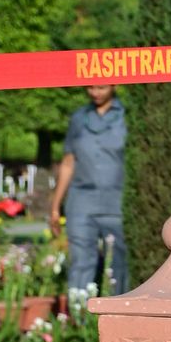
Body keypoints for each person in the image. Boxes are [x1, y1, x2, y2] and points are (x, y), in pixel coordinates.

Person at [51, 87, 127, 303]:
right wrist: (55, 206)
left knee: (118, 264)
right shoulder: (78, 118)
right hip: (81, 201)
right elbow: (68, 163)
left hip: (117, 202)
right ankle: (78, 315)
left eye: (101, 87)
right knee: (81, 262)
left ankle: (118, 315)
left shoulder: (127, 116)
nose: (95, 92)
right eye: (91, 87)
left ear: (113, 85)